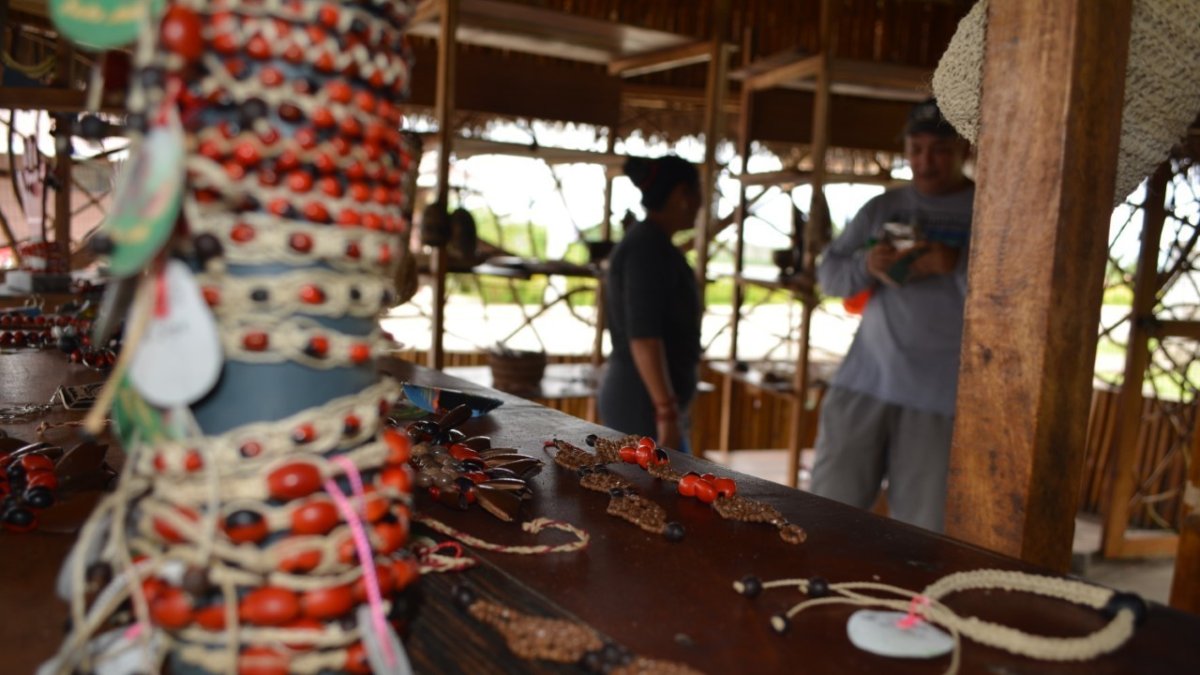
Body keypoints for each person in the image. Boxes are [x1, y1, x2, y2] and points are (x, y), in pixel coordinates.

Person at [810, 98, 974, 532]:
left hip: (939, 399)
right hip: (864, 382)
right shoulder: (883, 209)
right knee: (828, 510)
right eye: (916, 148)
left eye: (939, 149)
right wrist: (868, 266)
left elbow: (1016, 300)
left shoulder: (987, 211)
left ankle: (908, 602)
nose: (925, 161)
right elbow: (829, 275)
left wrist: (957, 264)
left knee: (922, 530)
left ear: (965, 150)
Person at [598, 155, 702, 452]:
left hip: (647, 400)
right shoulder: (646, 249)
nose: (702, 205)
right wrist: (666, 412)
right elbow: (644, 338)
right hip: (641, 402)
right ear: (683, 195)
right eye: (700, 194)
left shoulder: (653, 244)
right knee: (646, 494)